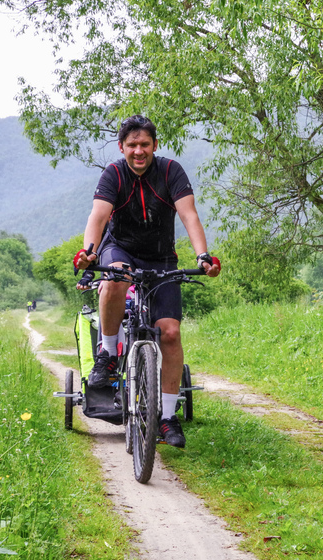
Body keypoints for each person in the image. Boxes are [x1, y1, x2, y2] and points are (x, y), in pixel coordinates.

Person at [73, 114, 220, 448]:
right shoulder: (113, 174)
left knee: (169, 332)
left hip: (161, 256)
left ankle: (167, 418)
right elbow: (98, 216)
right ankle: (109, 353)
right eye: (132, 145)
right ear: (122, 148)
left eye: (144, 144)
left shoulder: (170, 172)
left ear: (155, 145)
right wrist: (89, 254)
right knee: (115, 279)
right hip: (119, 248)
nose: (139, 151)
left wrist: (203, 256)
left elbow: (189, 214)